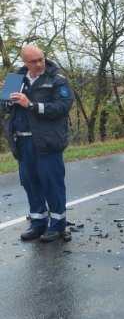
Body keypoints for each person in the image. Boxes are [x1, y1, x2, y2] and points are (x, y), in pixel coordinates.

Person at [1, 44, 74, 242]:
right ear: (24, 62)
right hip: (22, 142)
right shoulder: (15, 79)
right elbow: (2, 105)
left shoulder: (57, 80)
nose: (39, 64)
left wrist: (30, 105)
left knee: (51, 183)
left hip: (47, 142)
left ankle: (57, 225)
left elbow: (61, 107)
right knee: (30, 183)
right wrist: (7, 103)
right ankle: (38, 223)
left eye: (41, 59)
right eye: (33, 61)